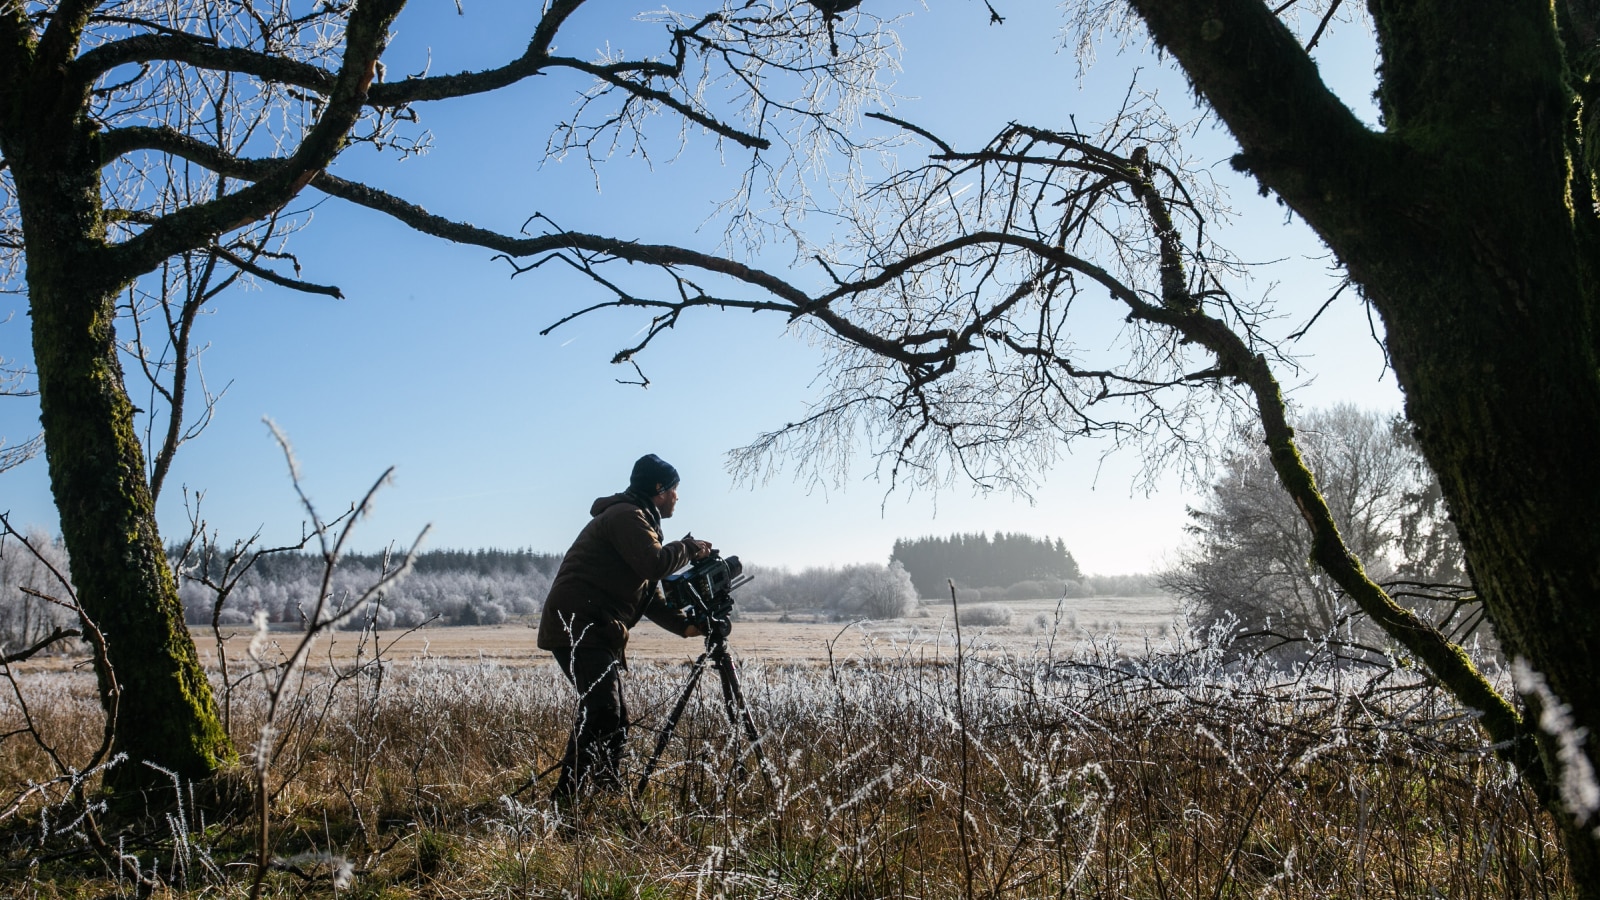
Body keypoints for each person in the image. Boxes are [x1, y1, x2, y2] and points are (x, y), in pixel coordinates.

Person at [537, 453, 714, 800]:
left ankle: (604, 793)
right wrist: (688, 548)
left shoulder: (638, 520)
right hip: (579, 626)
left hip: (593, 628)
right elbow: (655, 565)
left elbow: (648, 594)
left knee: (613, 717)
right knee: (603, 711)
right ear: (659, 489)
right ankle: (566, 799)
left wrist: (687, 627)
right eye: (675, 489)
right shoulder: (627, 516)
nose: (678, 496)